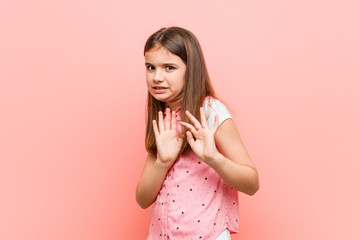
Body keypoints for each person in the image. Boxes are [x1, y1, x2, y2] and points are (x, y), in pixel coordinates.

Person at [136, 26, 260, 240]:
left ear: (191, 69)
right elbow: (142, 199)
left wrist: (213, 158)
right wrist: (162, 163)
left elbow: (252, 183)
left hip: (207, 235)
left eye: (169, 67)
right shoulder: (163, 118)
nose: (157, 77)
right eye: (150, 67)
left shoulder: (210, 111)